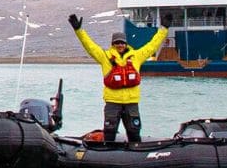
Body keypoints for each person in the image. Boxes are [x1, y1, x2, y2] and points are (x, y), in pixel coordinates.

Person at [67, 14, 168, 144]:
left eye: (122, 42)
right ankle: (107, 153)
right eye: (117, 43)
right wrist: (78, 30)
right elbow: (89, 46)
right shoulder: (105, 57)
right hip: (112, 103)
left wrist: (164, 28)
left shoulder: (136, 57)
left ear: (126, 44)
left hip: (131, 103)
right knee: (109, 132)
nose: (120, 45)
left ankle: (136, 153)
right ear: (112, 44)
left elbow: (153, 45)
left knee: (134, 132)